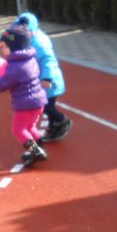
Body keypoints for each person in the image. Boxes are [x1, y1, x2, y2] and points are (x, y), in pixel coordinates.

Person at [0, 21, 49, 167]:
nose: (2, 49)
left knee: (18, 130)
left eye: (5, 46)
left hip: (26, 104)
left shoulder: (16, 67)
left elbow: (0, 85)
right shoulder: (30, 59)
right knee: (30, 127)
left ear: (14, 48)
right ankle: (39, 148)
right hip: (38, 101)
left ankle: (36, 151)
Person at [16, 12, 71, 142]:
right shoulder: (28, 39)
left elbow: (49, 61)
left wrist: (47, 78)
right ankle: (54, 125)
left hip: (49, 82)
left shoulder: (39, 44)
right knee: (43, 106)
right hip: (39, 81)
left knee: (45, 106)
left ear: (32, 31)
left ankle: (61, 121)